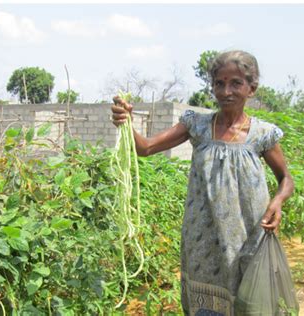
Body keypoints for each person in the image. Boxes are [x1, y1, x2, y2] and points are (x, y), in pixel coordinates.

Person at [111, 50, 294, 316]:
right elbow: (146, 148)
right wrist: (125, 122)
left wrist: (278, 202)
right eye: (219, 83)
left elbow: (286, 179)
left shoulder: (262, 134)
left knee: (250, 304)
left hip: (248, 236)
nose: (226, 91)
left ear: (251, 89)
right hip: (203, 241)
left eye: (235, 83)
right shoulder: (196, 124)